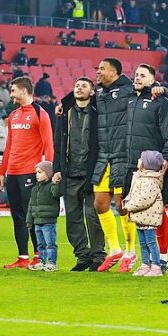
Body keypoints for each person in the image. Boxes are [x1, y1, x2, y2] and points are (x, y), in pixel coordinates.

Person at [0, 76, 54, 268]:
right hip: (12, 173)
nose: (11, 95)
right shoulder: (13, 115)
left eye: (13, 91)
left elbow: (48, 144)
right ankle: (22, 257)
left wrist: (49, 171)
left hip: (30, 172)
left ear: (23, 90)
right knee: (17, 216)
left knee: (33, 215)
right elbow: (9, 146)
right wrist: (2, 171)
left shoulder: (40, 113)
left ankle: (39, 255)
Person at [126, 64, 168, 273]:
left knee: (158, 213)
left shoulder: (161, 102)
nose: (137, 78)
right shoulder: (129, 99)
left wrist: (165, 160)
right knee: (138, 215)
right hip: (134, 167)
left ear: (152, 80)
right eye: (136, 75)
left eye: (142, 75)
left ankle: (161, 260)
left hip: (155, 169)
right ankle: (146, 261)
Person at [53, 76, 105, 271]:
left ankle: (98, 256)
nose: (79, 88)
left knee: (93, 216)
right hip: (70, 172)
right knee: (72, 219)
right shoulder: (64, 112)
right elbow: (58, 144)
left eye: (84, 86)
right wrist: (57, 168)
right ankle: (82, 256)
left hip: (91, 172)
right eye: (76, 85)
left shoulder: (98, 111)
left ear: (92, 91)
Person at [90, 57, 135, 271]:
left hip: (122, 155)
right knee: (99, 203)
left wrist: (158, 89)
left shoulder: (129, 89)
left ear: (115, 72)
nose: (98, 72)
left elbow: (150, 89)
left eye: (102, 69)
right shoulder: (98, 92)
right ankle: (114, 249)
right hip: (104, 154)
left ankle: (130, 251)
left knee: (122, 205)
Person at [123, 150, 167, 277]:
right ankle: (145, 264)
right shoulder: (141, 177)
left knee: (151, 243)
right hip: (141, 217)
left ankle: (156, 266)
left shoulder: (150, 180)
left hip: (148, 217)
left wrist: (129, 206)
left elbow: (145, 199)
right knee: (143, 243)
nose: (138, 161)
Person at [27, 160, 61, 272]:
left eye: (40, 172)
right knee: (40, 244)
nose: (37, 175)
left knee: (50, 244)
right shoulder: (34, 189)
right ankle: (41, 261)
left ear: (48, 173)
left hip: (48, 221)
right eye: (36, 172)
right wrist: (29, 221)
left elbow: (57, 194)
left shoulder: (52, 186)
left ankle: (52, 263)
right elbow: (30, 206)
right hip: (37, 221)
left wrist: (56, 183)